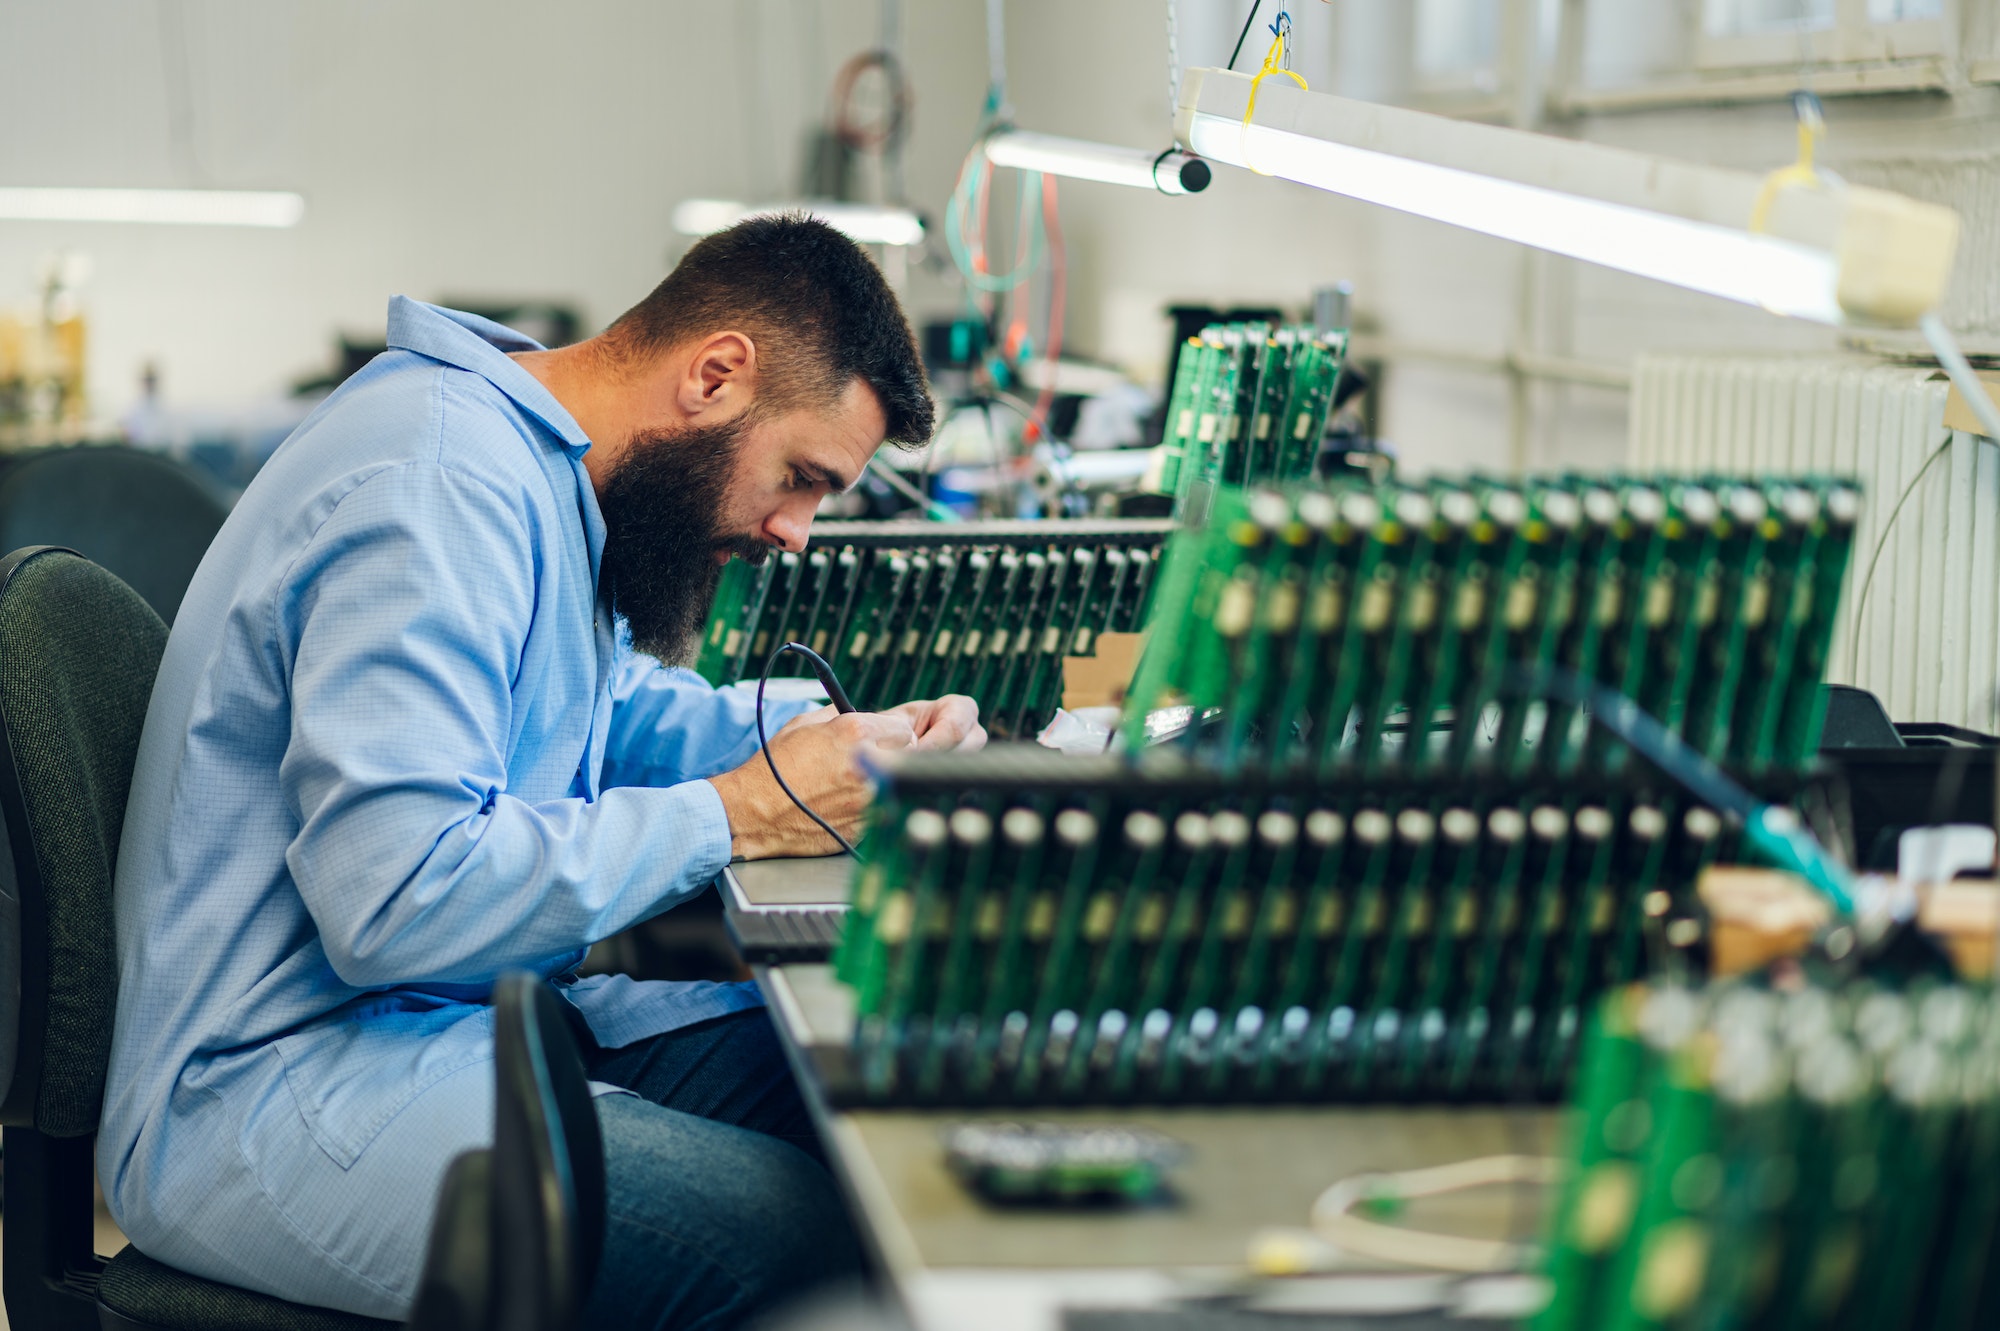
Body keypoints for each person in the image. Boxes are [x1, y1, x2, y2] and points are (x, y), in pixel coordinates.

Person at [98, 215, 982, 1328]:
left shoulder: (538, 460)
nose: (798, 530)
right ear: (715, 375)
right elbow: (399, 897)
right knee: (789, 1238)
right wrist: (739, 813)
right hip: (273, 1085)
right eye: (801, 477)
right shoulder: (435, 485)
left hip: (450, 1020)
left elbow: (605, 707)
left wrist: (837, 737)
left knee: (880, 1095)